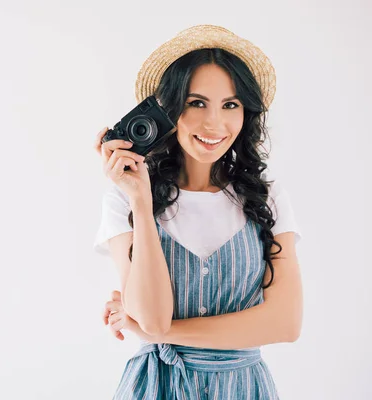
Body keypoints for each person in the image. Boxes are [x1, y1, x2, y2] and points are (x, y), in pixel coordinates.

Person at [92, 25, 303, 399]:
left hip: (243, 389)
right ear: (170, 108)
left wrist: (157, 331)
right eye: (196, 102)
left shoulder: (266, 198)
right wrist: (141, 201)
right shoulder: (124, 201)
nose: (214, 124)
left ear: (246, 113)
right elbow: (153, 318)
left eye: (231, 105)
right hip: (157, 388)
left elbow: (285, 323)